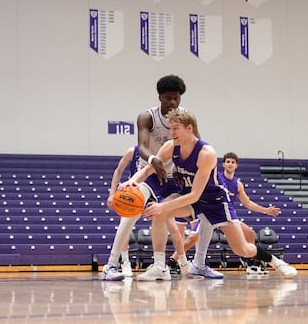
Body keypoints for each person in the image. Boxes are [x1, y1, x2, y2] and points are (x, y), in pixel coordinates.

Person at [123, 109, 297, 279]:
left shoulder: (206, 153)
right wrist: (134, 181)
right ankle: (160, 266)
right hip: (189, 197)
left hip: (214, 201)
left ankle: (275, 261)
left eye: (175, 128)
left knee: (243, 249)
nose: (171, 132)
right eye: (170, 128)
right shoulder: (170, 146)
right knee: (160, 213)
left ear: (189, 128)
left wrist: (163, 204)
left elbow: (196, 194)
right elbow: (148, 169)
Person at [101, 74, 190, 281]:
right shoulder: (147, 117)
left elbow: (193, 144)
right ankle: (112, 265)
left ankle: (168, 266)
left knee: (175, 216)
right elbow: (140, 146)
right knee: (129, 211)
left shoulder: (186, 118)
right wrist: (153, 159)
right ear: (160, 97)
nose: (173, 102)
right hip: (149, 171)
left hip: (175, 175)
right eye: (168, 98)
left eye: (177, 98)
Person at [103, 144, 142, 280]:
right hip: (134, 190)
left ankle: (165, 264)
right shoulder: (133, 151)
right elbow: (118, 171)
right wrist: (112, 193)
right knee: (125, 226)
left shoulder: (161, 149)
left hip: (154, 190)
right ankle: (125, 262)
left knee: (168, 222)